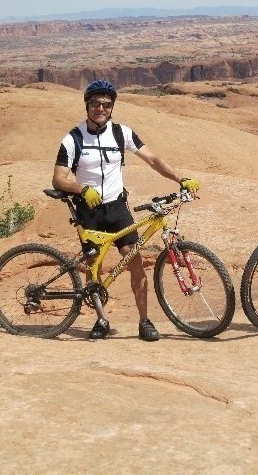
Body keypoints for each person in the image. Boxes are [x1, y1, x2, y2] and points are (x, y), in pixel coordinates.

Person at [52, 79, 200, 342]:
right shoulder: (73, 138)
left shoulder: (122, 133)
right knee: (93, 267)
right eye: (96, 103)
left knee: (136, 262)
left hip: (117, 208)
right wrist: (81, 189)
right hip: (89, 210)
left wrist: (180, 179)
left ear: (112, 108)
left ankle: (144, 322)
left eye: (106, 105)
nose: (101, 108)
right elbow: (59, 178)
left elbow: (152, 159)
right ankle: (100, 319)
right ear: (87, 105)